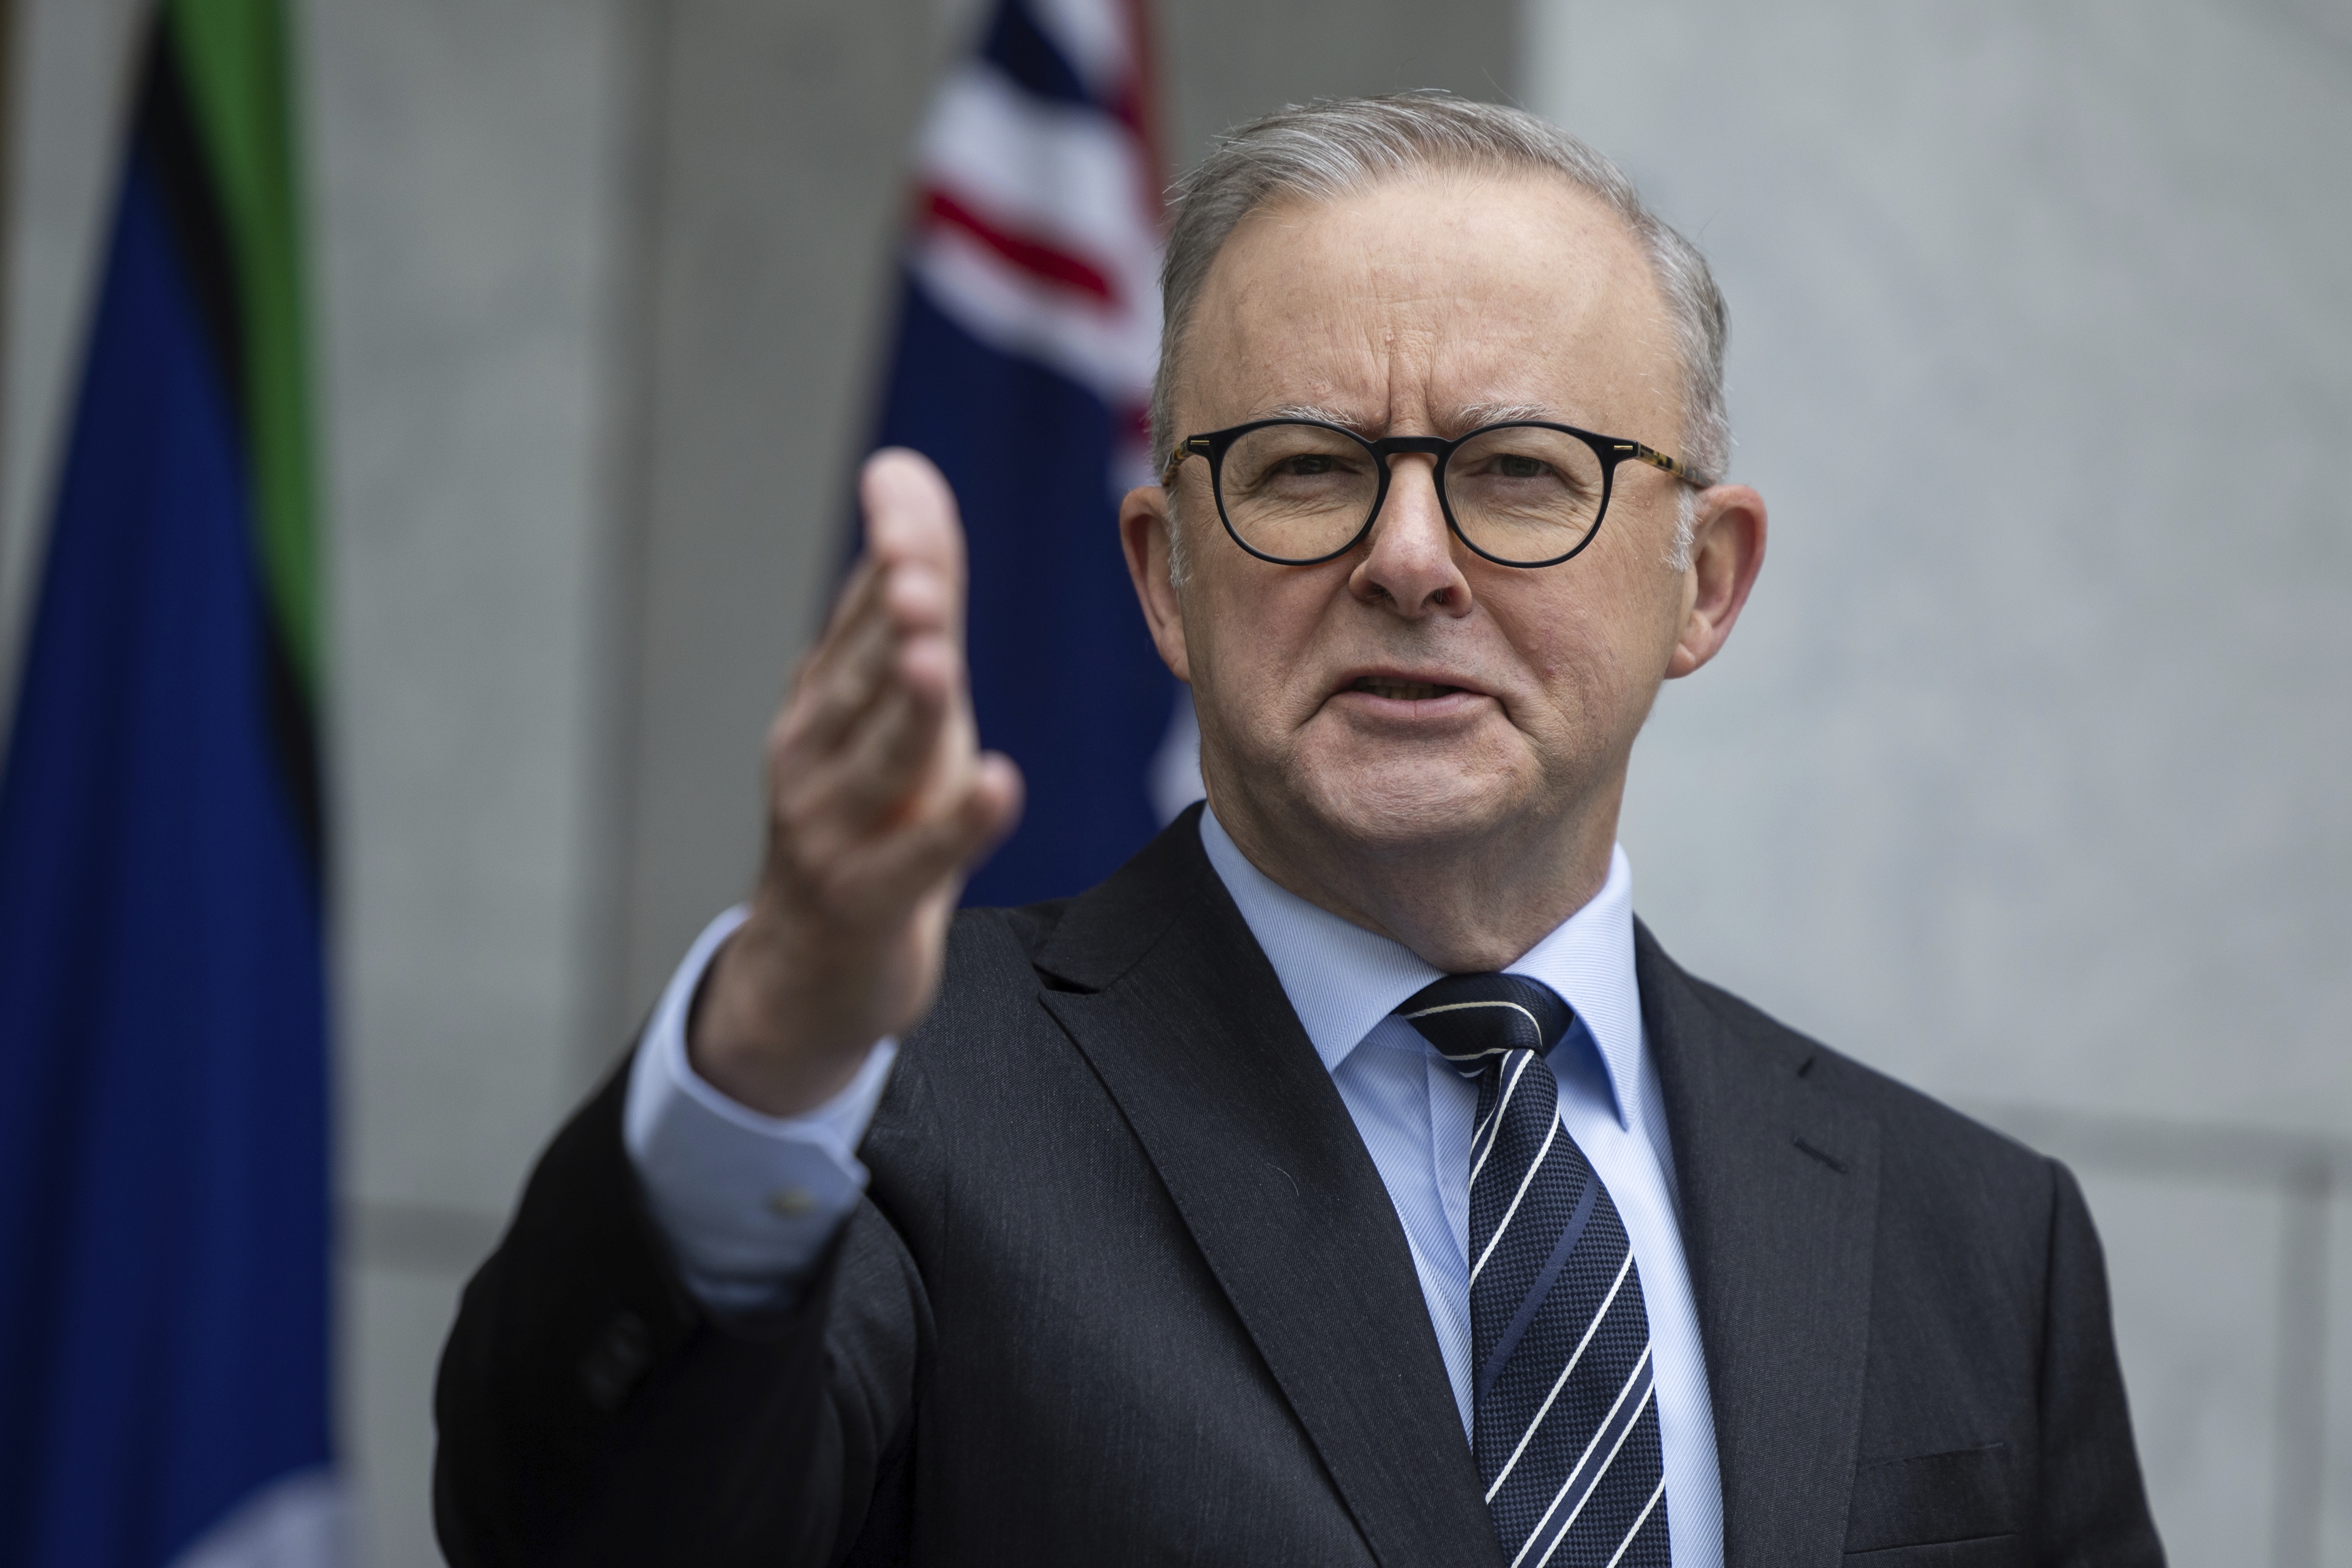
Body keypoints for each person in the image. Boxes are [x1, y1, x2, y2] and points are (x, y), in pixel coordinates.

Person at [434, 95, 2163, 1568]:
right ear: (1164, 577)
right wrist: (767, 1060)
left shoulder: (1973, 1239)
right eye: (1304, 469)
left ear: (1701, 583)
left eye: (1518, 472)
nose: (1405, 560)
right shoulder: (885, 1114)